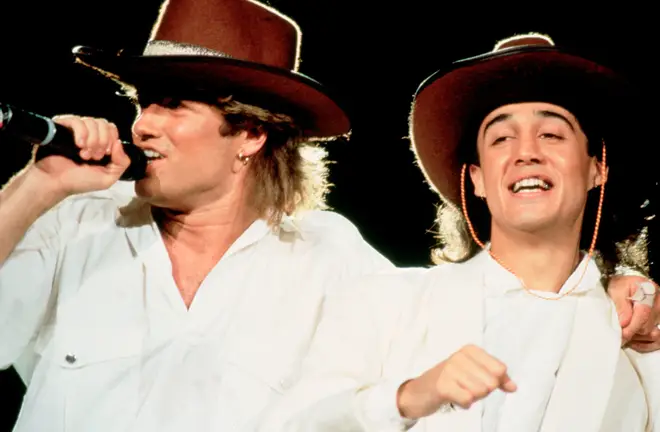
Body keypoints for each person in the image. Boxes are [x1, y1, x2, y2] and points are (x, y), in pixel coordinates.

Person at [0, 1, 394, 431]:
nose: (141, 126)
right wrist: (40, 184)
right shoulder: (77, 220)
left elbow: (425, 392)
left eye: (172, 104)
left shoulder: (328, 258)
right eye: (144, 103)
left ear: (251, 133)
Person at [255, 33, 660, 431]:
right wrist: (406, 397)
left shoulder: (639, 329)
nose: (526, 152)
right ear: (478, 180)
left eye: (552, 134)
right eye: (501, 138)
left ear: (597, 167)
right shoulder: (385, 302)